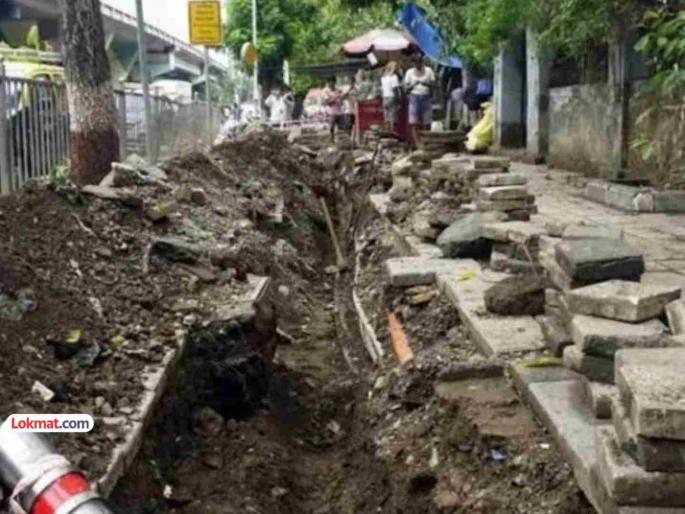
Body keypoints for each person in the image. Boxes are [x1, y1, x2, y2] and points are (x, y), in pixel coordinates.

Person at [404, 51, 436, 148]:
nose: (417, 65)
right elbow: (405, 89)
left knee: (427, 122)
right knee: (414, 122)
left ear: (422, 62)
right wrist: (413, 85)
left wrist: (426, 84)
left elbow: (434, 85)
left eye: (419, 62)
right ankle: (418, 144)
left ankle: (427, 141)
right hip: (414, 97)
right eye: (415, 63)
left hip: (426, 96)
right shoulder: (409, 72)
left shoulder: (429, 71)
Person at [381, 61, 401, 131]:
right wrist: (398, 99)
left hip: (385, 97)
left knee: (386, 116)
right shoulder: (394, 77)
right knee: (393, 116)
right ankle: (392, 131)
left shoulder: (383, 77)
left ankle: (387, 131)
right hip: (392, 97)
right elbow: (395, 89)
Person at [322, 77, 343, 142]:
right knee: (331, 128)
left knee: (341, 128)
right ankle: (332, 140)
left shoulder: (338, 90)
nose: (331, 83)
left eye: (333, 82)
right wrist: (336, 97)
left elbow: (341, 100)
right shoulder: (325, 91)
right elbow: (328, 102)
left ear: (334, 82)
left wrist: (341, 97)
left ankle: (340, 141)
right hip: (331, 112)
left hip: (339, 111)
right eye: (330, 82)